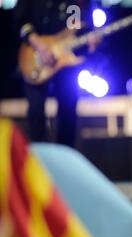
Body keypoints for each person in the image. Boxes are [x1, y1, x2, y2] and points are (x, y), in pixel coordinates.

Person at [14, 0, 99, 147]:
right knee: (36, 112)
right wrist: (37, 43)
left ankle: (65, 159)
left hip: (66, 61)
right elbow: (19, 18)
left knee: (68, 112)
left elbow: (77, 22)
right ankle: (39, 159)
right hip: (34, 56)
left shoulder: (74, 4)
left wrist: (89, 35)